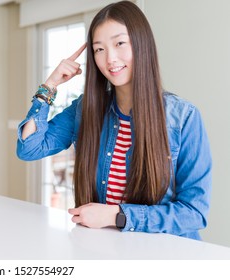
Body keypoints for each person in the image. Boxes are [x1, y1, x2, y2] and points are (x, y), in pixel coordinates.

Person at [16, 1, 211, 240]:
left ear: (142, 44)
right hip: (106, 250)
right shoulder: (85, 109)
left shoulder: (183, 117)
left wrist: (117, 216)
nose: (110, 59)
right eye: (99, 49)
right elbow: (29, 149)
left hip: (167, 256)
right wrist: (49, 86)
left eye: (120, 43)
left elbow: (195, 213)